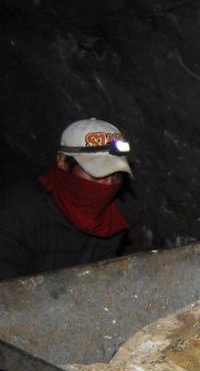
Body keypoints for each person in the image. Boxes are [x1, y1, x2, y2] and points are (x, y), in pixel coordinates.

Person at [0, 118, 133, 280]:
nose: (108, 184)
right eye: (97, 174)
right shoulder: (22, 209)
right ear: (63, 162)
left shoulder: (110, 223)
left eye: (116, 175)